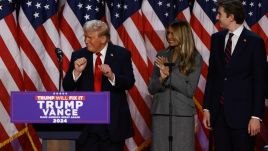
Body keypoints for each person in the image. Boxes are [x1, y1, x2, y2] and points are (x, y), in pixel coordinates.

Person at [202, 0, 267, 151]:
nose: (217, 17)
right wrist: (206, 108)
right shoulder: (216, 39)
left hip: (243, 117)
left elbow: (259, 82)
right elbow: (212, 76)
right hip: (219, 116)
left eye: (220, 14)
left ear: (231, 17)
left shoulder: (255, 42)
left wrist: (256, 116)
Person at [63, 20, 135, 151]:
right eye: (85, 37)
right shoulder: (78, 55)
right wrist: (76, 72)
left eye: (89, 37)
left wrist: (112, 76)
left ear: (103, 38)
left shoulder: (121, 54)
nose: (85, 41)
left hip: (112, 124)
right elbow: (67, 86)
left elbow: (129, 82)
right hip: (86, 125)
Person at [148, 20, 202, 151]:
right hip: (161, 111)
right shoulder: (162, 55)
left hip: (182, 113)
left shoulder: (194, 57)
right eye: (168, 33)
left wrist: (170, 73)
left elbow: (189, 90)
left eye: (173, 33)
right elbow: (152, 88)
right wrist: (162, 77)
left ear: (183, 34)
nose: (169, 37)